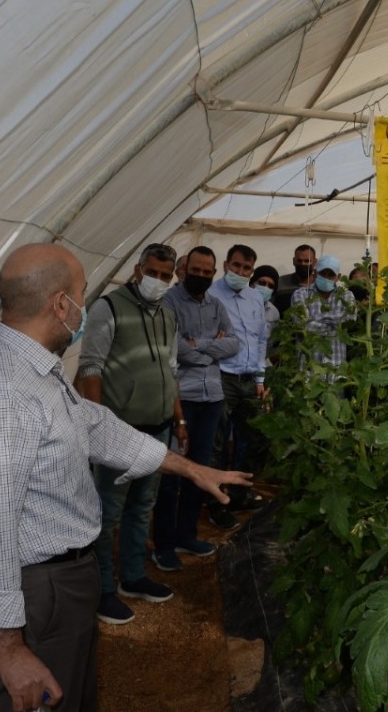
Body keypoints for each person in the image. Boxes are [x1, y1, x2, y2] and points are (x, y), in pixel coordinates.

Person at [0, 242, 250, 712]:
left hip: (62, 583)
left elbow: (94, 424)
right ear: (60, 304)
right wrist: (12, 652)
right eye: (83, 294)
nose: (85, 307)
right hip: (38, 594)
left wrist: (190, 467)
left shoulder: (34, 372)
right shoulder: (0, 396)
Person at [73, 243, 183, 626]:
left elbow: (171, 369)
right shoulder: (109, 307)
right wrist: (99, 425)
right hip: (119, 432)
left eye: (165, 276)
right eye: (151, 272)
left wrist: (178, 418)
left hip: (157, 429)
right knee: (107, 513)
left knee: (141, 509)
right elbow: (91, 368)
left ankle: (133, 577)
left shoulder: (167, 315)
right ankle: (103, 589)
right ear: (137, 269)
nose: (157, 281)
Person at [154, 246, 238, 568]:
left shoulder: (216, 304)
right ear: (185, 268)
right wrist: (210, 349)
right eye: (197, 270)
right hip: (181, 398)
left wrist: (197, 345)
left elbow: (233, 344)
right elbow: (174, 349)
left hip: (212, 396)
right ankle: (163, 544)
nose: (202, 276)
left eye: (208, 272)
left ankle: (187, 535)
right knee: (171, 470)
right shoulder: (169, 302)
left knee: (201, 469)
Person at [208, 244, 269, 514]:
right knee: (218, 441)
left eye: (246, 268)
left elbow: (260, 340)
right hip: (222, 375)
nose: (240, 272)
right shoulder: (210, 295)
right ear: (225, 265)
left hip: (249, 379)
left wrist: (260, 379)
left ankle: (241, 491)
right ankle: (217, 500)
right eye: (236, 266)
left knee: (251, 437)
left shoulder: (256, 298)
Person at [291, 254, 356, 382]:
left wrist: (315, 319)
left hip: (336, 373)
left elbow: (349, 320)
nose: (326, 277)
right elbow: (302, 325)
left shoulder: (347, 296)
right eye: (322, 273)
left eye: (330, 274)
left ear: (338, 277)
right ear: (314, 273)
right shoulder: (300, 294)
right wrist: (335, 325)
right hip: (308, 372)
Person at [273, 243, 316, 313]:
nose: (302, 264)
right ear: (294, 261)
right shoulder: (280, 283)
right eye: (299, 261)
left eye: (307, 261)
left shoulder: (321, 285)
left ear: (315, 262)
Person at [251, 265, 281, 337]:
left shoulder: (274, 312)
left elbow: (271, 342)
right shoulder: (238, 304)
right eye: (262, 283)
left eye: (270, 286)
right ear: (252, 284)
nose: (266, 287)